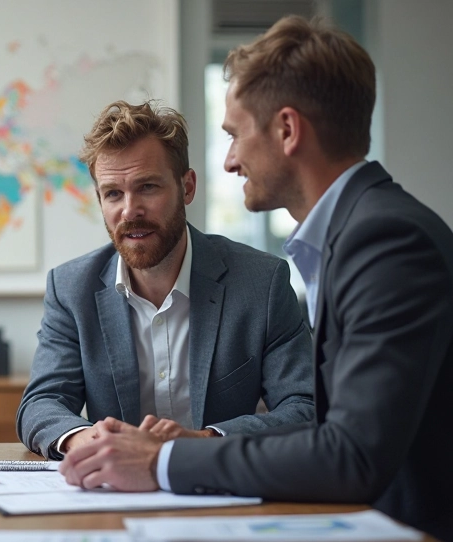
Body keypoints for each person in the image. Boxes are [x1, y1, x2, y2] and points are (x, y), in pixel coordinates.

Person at [59, 16, 453, 542]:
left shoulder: (384, 240)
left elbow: (350, 456)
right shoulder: (361, 229)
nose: (230, 160)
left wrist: (159, 460)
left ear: (287, 131)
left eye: (236, 134)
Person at [17, 100, 315, 459]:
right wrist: (88, 441)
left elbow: (305, 407)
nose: (130, 211)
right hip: (114, 494)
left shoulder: (261, 282)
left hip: (219, 488)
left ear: (186, 187)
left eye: (148, 187)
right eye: (113, 193)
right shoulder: (70, 289)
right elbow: (42, 402)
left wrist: (204, 443)